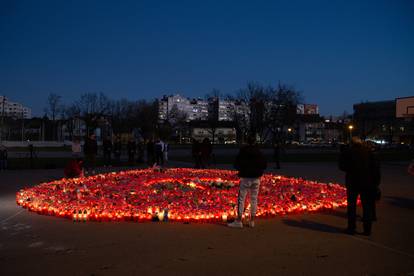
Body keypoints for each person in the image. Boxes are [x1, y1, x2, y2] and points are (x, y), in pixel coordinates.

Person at [338, 137, 381, 236]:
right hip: (367, 183)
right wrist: (376, 183)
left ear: (351, 143)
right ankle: (367, 230)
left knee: (352, 207)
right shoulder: (369, 151)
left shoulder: (348, 152)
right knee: (367, 207)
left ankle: (351, 228)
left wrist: (343, 156)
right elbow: (375, 168)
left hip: (353, 182)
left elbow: (342, 166)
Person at [228, 136, 267, 228]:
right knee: (254, 199)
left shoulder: (243, 151)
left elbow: (236, 164)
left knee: (241, 199)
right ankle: (252, 221)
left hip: (245, 177)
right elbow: (264, 164)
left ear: (246, 142)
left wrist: (242, 169)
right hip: (256, 177)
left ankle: (239, 220)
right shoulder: (259, 152)